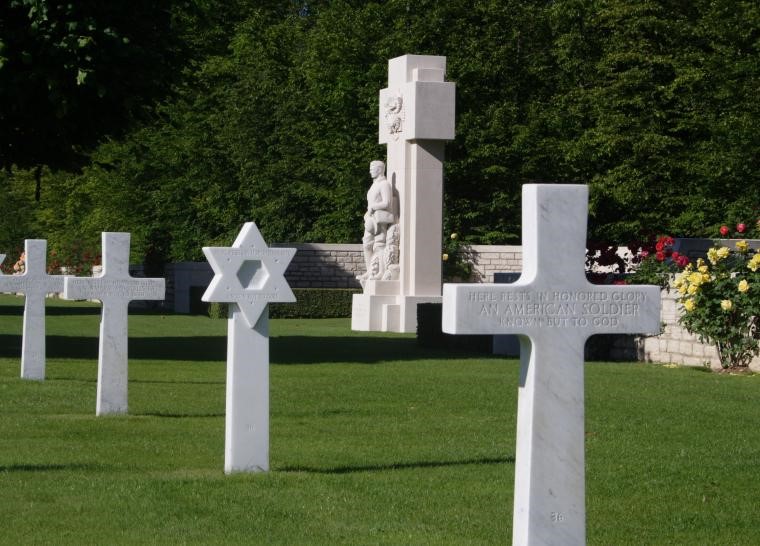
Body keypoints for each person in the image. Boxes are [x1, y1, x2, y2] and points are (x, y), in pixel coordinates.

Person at [361, 160, 395, 279]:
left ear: (380, 169)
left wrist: (373, 207)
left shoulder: (384, 184)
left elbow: (387, 203)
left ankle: (380, 272)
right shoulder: (374, 185)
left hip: (379, 219)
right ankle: (370, 271)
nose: (370, 170)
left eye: (372, 168)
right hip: (370, 219)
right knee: (366, 245)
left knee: (379, 245)